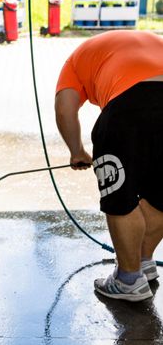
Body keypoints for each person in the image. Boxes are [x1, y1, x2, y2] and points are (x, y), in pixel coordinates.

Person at [55, 30, 163, 302]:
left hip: (129, 106)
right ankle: (142, 261)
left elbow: (65, 108)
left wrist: (77, 151)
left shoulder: (74, 62)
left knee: (120, 196)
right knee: (160, 193)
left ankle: (128, 279)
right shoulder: (150, 40)